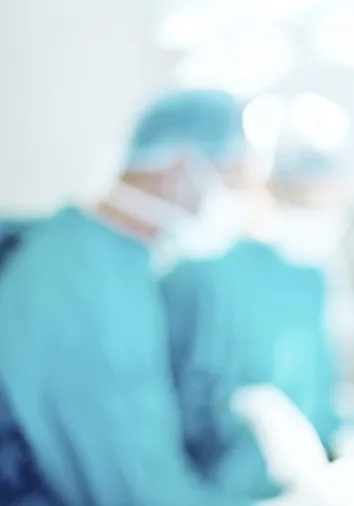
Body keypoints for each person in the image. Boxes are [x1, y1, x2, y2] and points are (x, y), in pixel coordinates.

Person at [0, 89, 262, 506]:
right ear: (180, 169)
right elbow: (136, 492)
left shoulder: (101, 254)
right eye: (231, 181)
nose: (239, 204)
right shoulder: (85, 286)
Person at [160, 149, 343, 501]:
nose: (317, 215)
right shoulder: (202, 278)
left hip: (298, 486)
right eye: (305, 199)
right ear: (270, 190)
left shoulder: (311, 282)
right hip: (216, 485)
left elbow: (320, 392)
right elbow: (175, 402)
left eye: (327, 201)